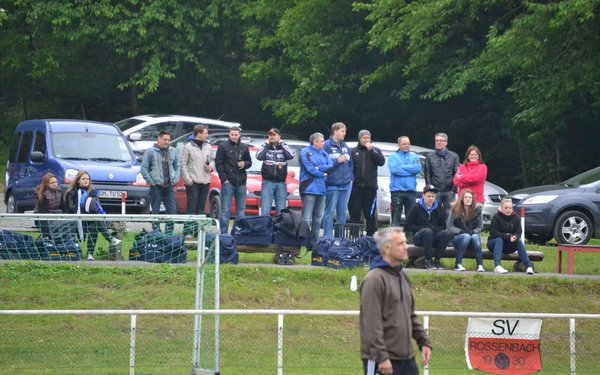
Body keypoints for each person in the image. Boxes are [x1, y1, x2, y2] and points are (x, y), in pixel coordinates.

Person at [360, 227, 432, 375]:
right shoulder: (374, 279)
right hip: (383, 360)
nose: (406, 247)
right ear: (386, 248)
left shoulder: (403, 276)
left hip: (407, 360)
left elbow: (410, 315)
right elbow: (371, 324)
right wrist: (382, 357)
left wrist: (423, 341)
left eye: (406, 242)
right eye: (400, 243)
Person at [64, 171, 121, 260]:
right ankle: (109, 238)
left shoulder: (93, 192)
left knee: (94, 225)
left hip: (90, 219)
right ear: (78, 181)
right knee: (95, 221)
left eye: (87, 179)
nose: (86, 181)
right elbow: (72, 208)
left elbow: (97, 206)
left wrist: (89, 205)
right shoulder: (72, 193)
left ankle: (90, 254)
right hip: (76, 221)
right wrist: (82, 204)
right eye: (83, 179)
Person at [141, 130, 180, 234]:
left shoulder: (173, 151)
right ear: (159, 139)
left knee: (172, 210)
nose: (167, 142)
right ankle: (156, 232)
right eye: (165, 139)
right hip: (156, 185)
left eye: (169, 140)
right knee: (155, 210)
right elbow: (144, 168)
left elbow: (177, 166)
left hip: (169, 185)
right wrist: (151, 182)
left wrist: (175, 179)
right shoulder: (150, 151)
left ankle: (169, 233)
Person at [299, 132, 334, 248]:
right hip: (309, 188)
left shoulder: (324, 154)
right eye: (322, 141)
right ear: (315, 142)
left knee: (318, 218)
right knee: (307, 218)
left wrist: (320, 169)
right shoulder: (305, 153)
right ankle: (302, 241)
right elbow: (310, 169)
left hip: (322, 189)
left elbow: (330, 166)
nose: (324, 143)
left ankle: (314, 242)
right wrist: (322, 172)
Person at [405, 185, 452, 270]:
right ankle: (428, 260)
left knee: (446, 234)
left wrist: (434, 229)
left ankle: (437, 260)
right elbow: (408, 226)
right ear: (423, 195)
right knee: (427, 231)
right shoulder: (416, 208)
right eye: (429, 196)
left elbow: (443, 226)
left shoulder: (439, 208)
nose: (431, 198)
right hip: (420, 238)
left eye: (433, 196)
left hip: (433, 236)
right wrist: (423, 228)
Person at [215, 126, 252, 234]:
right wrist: (224, 179)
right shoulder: (223, 146)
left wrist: (244, 163)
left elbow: (249, 162)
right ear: (229, 134)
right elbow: (219, 164)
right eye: (232, 135)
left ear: (239, 135)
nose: (234, 137)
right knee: (225, 211)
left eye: (236, 135)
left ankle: (238, 233)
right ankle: (223, 234)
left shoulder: (244, 147)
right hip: (228, 182)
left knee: (241, 211)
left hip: (241, 182)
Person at [179, 125, 214, 238]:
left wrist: (211, 167)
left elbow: (212, 160)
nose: (207, 135)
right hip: (193, 181)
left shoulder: (208, 146)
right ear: (198, 134)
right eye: (205, 133)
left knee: (201, 208)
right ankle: (188, 232)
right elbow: (182, 164)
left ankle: (198, 232)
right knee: (192, 208)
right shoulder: (187, 146)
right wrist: (188, 180)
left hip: (205, 181)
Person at [349, 130, 385, 236]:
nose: (366, 140)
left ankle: (370, 237)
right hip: (356, 187)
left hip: (370, 188)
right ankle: (354, 237)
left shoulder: (376, 150)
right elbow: (349, 167)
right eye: (364, 138)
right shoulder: (353, 151)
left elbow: (381, 162)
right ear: (359, 139)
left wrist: (372, 150)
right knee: (354, 212)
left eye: (368, 138)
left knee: (369, 214)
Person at [487, 198, 534, 274]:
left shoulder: (516, 218)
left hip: (509, 245)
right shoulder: (496, 217)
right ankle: (497, 266)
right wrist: (508, 237)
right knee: (499, 240)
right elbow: (493, 233)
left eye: (510, 208)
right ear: (501, 208)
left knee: (518, 242)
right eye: (506, 208)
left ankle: (528, 266)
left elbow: (519, 232)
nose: (508, 210)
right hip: (494, 243)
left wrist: (515, 237)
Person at [322, 122, 353, 238]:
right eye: (342, 131)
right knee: (329, 213)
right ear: (335, 131)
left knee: (342, 214)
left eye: (345, 131)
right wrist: (337, 161)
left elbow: (351, 164)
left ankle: (340, 240)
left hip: (346, 185)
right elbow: (324, 165)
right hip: (332, 184)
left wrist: (351, 178)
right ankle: (328, 239)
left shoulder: (345, 146)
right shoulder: (326, 145)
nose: (344, 134)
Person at [255, 127, 296, 216]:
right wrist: (266, 145)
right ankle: (265, 228)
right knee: (265, 210)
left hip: (281, 183)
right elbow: (258, 156)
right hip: (267, 182)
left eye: (274, 135)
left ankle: (279, 229)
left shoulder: (284, 146)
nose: (271, 137)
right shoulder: (265, 146)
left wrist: (281, 144)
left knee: (281, 211)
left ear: (279, 136)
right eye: (270, 135)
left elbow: (291, 155)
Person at [446, 189, 484, 272]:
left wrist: (473, 232)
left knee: (475, 236)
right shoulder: (455, 209)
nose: (468, 199)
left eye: (470, 197)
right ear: (462, 199)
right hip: (458, 239)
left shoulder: (478, 210)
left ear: (473, 199)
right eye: (466, 197)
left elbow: (480, 227)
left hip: (472, 239)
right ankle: (458, 264)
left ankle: (480, 265)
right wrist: (460, 231)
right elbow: (449, 226)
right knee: (466, 236)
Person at [388, 136, 421, 227]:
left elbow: (417, 169)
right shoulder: (392, 157)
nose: (407, 146)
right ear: (399, 145)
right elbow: (395, 170)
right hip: (396, 191)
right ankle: (395, 239)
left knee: (411, 218)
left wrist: (402, 167)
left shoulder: (414, 156)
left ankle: (409, 238)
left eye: (408, 143)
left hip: (411, 191)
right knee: (396, 218)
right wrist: (410, 170)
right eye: (404, 144)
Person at [424, 133, 460, 214]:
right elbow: (427, 173)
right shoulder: (430, 156)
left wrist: (454, 190)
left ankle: (449, 227)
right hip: (435, 191)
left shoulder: (454, 156)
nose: (439, 142)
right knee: (434, 213)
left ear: (446, 142)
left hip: (449, 191)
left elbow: (457, 173)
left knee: (450, 214)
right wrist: (430, 189)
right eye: (437, 140)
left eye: (441, 141)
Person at [34, 172, 64, 239]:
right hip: (42, 219)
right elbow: (42, 214)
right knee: (56, 226)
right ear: (46, 184)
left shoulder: (60, 192)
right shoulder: (43, 195)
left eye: (56, 182)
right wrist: (46, 233)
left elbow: (63, 208)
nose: (55, 184)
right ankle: (47, 239)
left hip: (55, 216)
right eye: (52, 183)